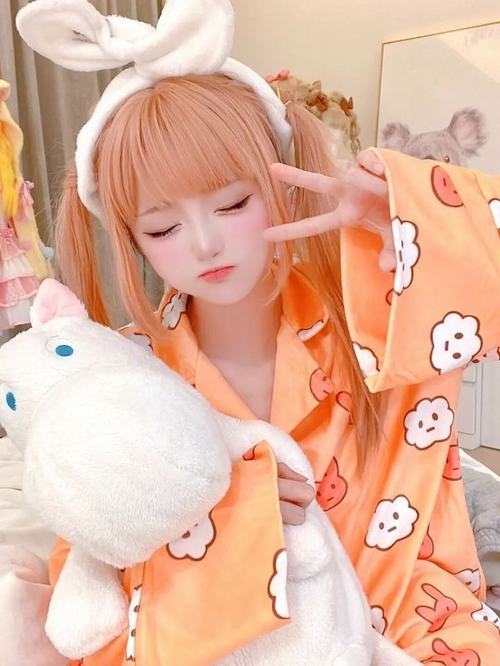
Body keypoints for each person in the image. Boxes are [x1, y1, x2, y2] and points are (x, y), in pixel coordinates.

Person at [11, 0, 500, 664]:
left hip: (411, 624)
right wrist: (224, 516)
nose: (205, 243)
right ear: (132, 239)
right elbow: (93, 575)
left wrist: (418, 221)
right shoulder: (119, 375)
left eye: (233, 202)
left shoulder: (379, 307)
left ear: (280, 185)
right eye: (162, 226)